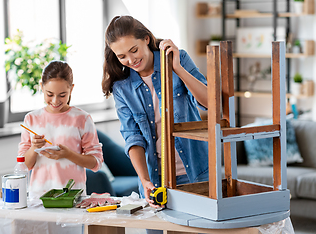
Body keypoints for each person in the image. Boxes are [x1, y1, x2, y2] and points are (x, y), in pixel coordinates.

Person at [102, 15, 209, 208]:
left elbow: (210, 102)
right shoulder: (122, 88)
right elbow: (132, 137)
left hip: (196, 173)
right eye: (122, 56)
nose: (131, 60)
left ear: (146, 39)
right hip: (156, 180)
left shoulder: (178, 58)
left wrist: (177, 68)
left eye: (133, 50)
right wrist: (144, 181)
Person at [18, 60, 103, 195]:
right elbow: (24, 166)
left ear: (72, 88)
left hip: (72, 198)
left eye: (62, 95)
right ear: (41, 87)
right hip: (39, 198)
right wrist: (34, 147)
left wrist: (69, 154)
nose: (55, 101)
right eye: (49, 94)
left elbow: (96, 163)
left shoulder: (82, 118)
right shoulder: (31, 119)